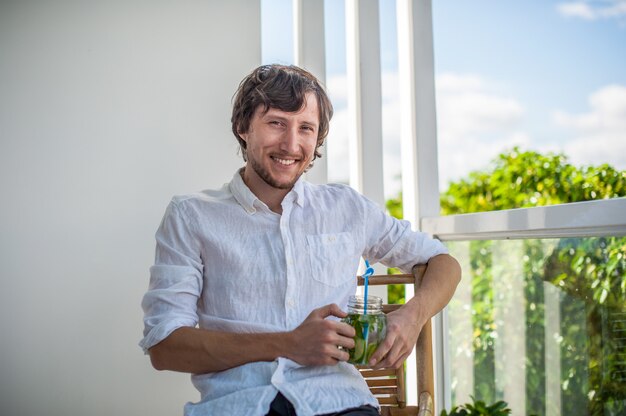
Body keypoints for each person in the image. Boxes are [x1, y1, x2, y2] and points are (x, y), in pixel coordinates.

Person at [140, 64, 461, 416]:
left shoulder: (347, 208)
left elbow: (443, 263)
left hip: (342, 403)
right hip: (239, 407)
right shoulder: (191, 215)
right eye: (276, 122)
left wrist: (412, 316)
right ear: (242, 127)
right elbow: (165, 347)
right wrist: (289, 344)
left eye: (306, 128)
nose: (291, 144)